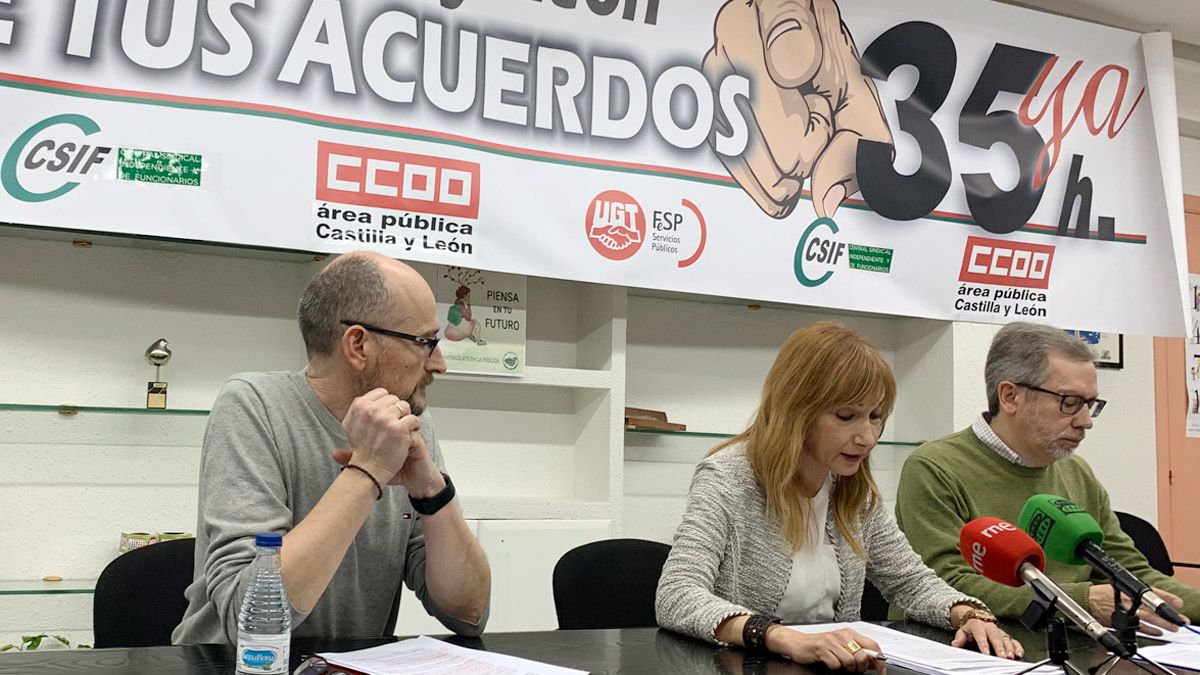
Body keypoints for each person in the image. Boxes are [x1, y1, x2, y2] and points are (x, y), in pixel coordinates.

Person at [656, 322, 1019, 671]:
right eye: (846, 416)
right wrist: (781, 637)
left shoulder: (852, 489)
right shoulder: (727, 477)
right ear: (796, 410)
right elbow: (677, 595)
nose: (867, 437)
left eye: (876, 416)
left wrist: (969, 615)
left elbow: (910, 581)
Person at [173, 252, 490, 644]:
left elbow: (470, 613)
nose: (438, 363)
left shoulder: (410, 421)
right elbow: (252, 618)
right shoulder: (254, 406)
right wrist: (367, 471)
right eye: (425, 342)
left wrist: (431, 491)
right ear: (358, 345)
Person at [896, 321, 1200, 633]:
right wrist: (1080, 601)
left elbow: (1128, 571)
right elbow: (945, 584)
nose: (1085, 422)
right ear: (1010, 396)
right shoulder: (933, 467)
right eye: (1069, 402)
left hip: (1078, 641)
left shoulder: (1076, 471)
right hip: (975, 646)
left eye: (1090, 404)